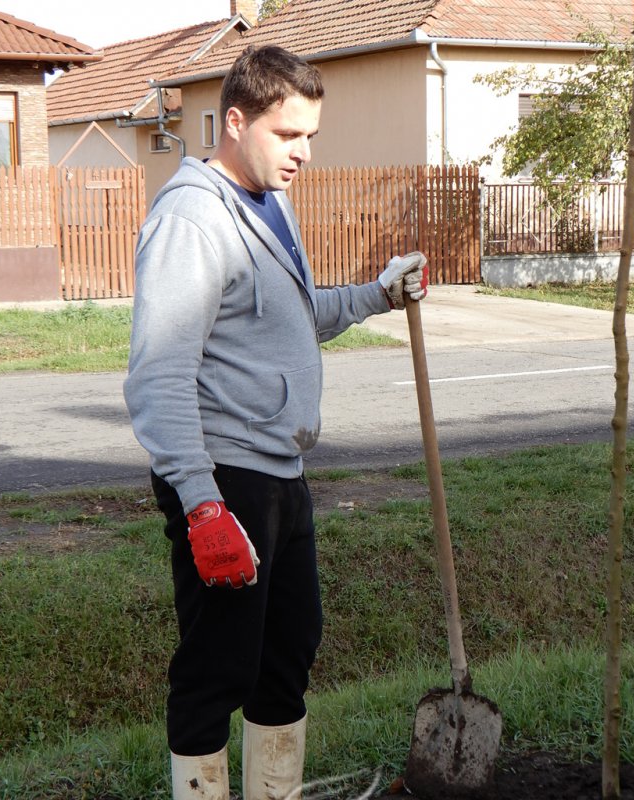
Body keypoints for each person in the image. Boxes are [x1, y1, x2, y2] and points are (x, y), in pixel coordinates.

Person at [123, 44, 428, 800]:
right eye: (288, 135)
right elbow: (158, 375)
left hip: (281, 472)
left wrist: (376, 295)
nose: (304, 153)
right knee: (216, 669)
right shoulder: (194, 219)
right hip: (226, 478)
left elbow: (295, 319)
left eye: (311, 136)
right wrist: (201, 505)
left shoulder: (269, 203)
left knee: (288, 653)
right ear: (236, 120)